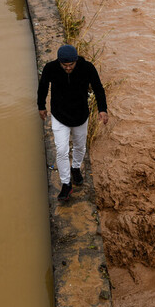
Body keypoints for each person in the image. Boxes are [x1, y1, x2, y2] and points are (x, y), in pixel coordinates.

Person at [37, 45, 108, 201]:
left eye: (71, 65)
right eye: (64, 65)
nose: (68, 68)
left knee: (79, 146)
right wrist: (41, 106)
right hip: (59, 115)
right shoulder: (51, 68)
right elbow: (42, 87)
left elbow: (98, 88)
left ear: (76, 60)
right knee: (61, 150)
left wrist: (102, 109)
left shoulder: (87, 68)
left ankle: (75, 168)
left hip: (80, 115)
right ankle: (66, 183)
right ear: (59, 62)